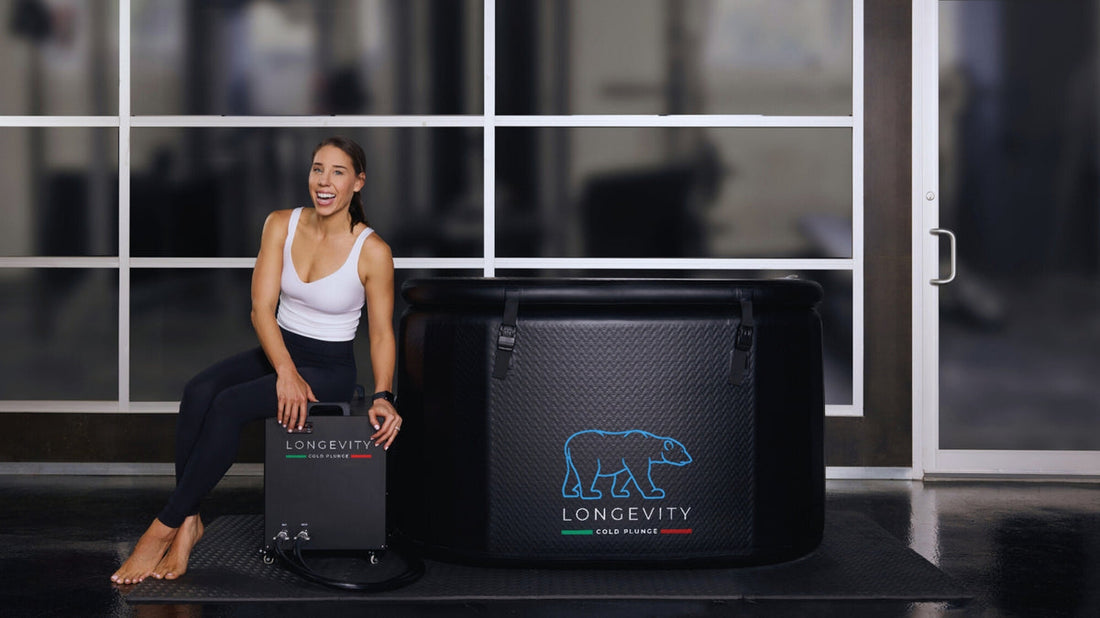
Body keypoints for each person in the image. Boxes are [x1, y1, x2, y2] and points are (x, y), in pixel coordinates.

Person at [110, 136, 401, 585]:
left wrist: (383, 393)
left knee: (228, 406)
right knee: (199, 391)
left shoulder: (373, 251)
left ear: (358, 183)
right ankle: (190, 521)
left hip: (330, 368)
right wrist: (285, 370)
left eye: (338, 172)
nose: (324, 182)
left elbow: (381, 333)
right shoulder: (281, 224)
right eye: (317, 169)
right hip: (279, 351)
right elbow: (260, 308)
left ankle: (161, 529)